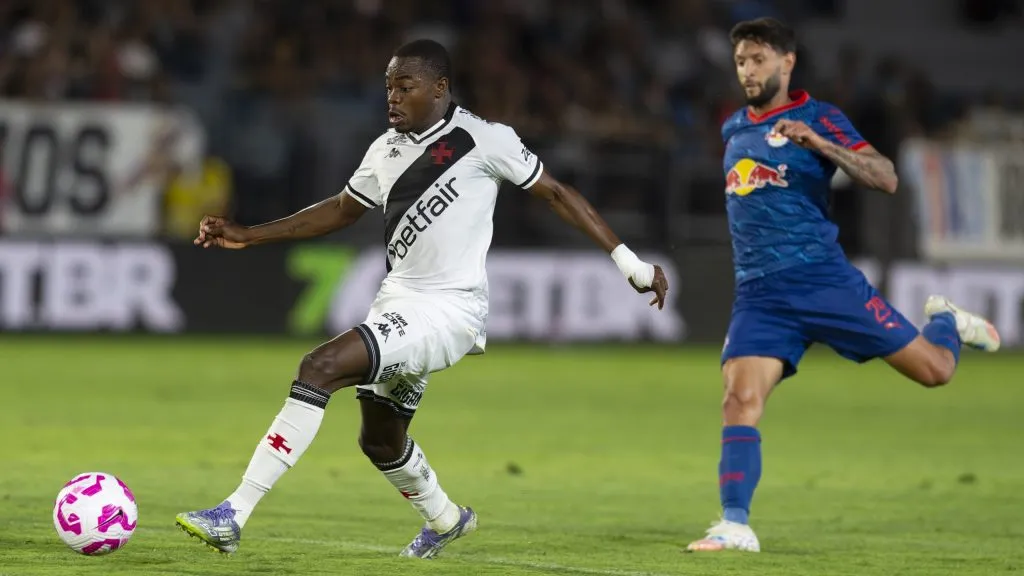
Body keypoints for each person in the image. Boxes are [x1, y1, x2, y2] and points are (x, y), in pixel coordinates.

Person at [174, 38, 670, 559]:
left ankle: (234, 512)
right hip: (397, 305)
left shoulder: (486, 139)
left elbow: (559, 194)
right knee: (380, 440)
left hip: (450, 311)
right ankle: (446, 518)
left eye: (404, 87)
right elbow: (342, 210)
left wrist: (628, 262)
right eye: (388, 86)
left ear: (439, 88)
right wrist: (250, 234)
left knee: (318, 366)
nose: (391, 97)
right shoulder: (384, 149)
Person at [685, 18, 1000, 553]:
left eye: (759, 59)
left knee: (935, 372)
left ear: (787, 62)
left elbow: (886, 177)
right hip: (760, 295)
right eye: (741, 61)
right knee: (739, 400)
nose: (748, 70)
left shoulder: (820, 117)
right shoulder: (734, 125)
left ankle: (946, 321)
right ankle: (734, 524)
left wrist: (820, 145)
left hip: (823, 282)